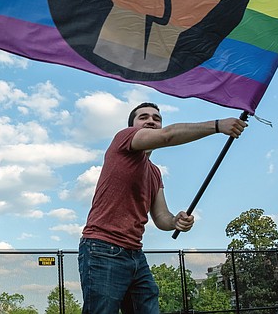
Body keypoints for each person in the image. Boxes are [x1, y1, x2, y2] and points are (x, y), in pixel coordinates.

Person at [79, 102, 247, 314]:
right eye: (143, 117)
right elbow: (168, 136)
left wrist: (176, 220)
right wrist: (216, 125)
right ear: (133, 126)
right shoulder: (124, 138)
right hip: (102, 248)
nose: (151, 120)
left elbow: (160, 217)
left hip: (135, 255)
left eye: (156, 118)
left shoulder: (155, 172)